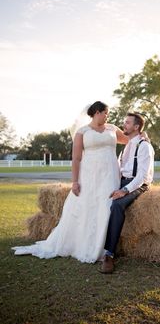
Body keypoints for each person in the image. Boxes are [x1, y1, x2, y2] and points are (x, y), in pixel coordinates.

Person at [12, 101, 130, 262]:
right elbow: (76, 158)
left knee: (106, 206)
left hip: (110, 173)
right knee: (88, 206)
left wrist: (141, 135)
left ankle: (104, 246)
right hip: (89, 175)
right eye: (105, 113)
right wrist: (75, 181)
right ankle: (85, 245)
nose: (107, 116)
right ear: (97, 112)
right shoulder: (83, 132)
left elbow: (129, 139)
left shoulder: (112, 129)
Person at [100, 112, 155, 274]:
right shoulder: (125, 148)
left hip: (139, 185)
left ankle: (109, 254)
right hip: (123, 181)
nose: (124, 125)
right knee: (101, 200)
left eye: (128, 123)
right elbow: (119, 170)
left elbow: (142, 177)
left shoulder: (145, 146)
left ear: (136, 127)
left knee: (117, 205)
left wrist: (124, 190)